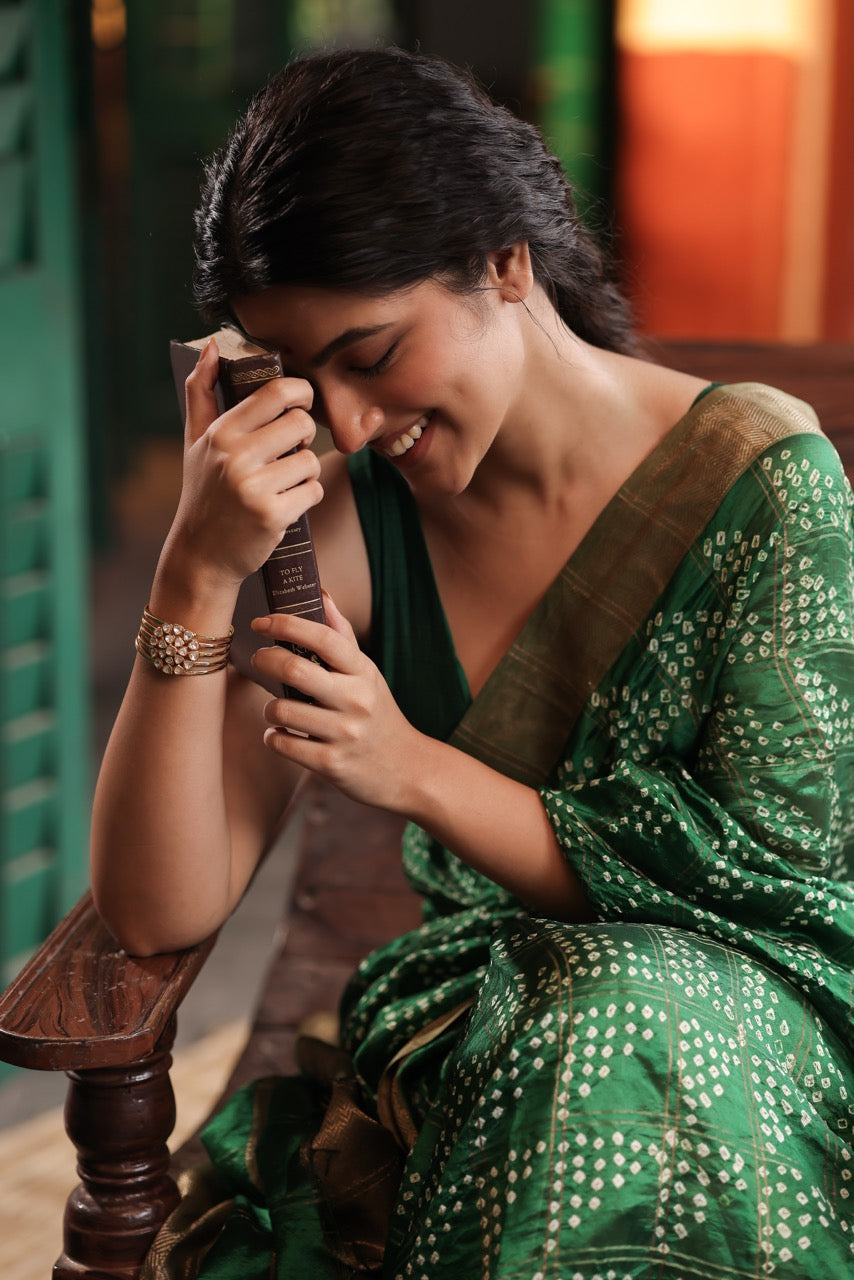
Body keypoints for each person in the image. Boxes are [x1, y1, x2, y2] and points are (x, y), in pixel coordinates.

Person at [91, 46, 854, 1280]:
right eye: (298, 374)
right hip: (489, 1034)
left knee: (623, 1027)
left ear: (505, 263)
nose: (342, 424)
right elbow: (160, 904)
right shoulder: (349, 533)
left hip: (759, 1040)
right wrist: (194, 571)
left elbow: (774, 890)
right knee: (588, 1038)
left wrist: (414, 769)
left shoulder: (765, 485)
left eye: (372, 351)